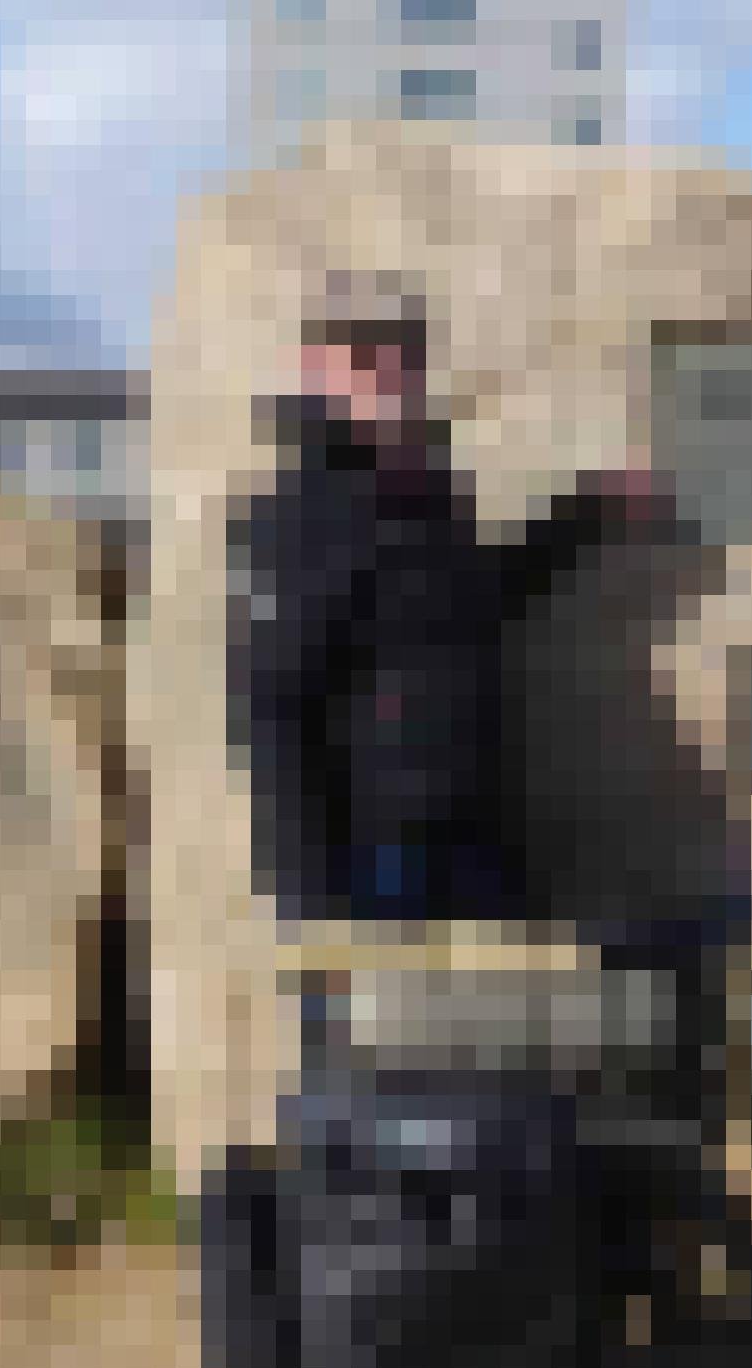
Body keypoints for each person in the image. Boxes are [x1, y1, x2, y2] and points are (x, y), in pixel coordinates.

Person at [229, 311, 670, 929]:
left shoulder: (419, 492)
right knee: (390, 1027)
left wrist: (589, 513)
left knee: (500, 1018)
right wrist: (311, 900)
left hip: (473, 833)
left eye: (404, 354)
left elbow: (475, 603)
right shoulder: (304, 511)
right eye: (361, 357)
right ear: (312, 371)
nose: (389, 373)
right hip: (376, 854)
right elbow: (273, 706)